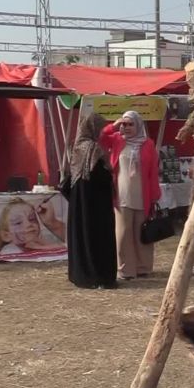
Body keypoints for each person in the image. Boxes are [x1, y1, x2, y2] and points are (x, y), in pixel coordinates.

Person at [100, 110, 162, 280]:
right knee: (123, 233)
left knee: (142, 233)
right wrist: (113, 126)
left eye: (130, 124)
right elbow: (100, 139)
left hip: (143, 195)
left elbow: (153, 171)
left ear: (139, 125)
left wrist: (155, 194)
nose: (126, 127)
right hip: (122, 194)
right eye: (124, 124)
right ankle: (126, 270)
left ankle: (143, 268)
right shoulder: (117, 140)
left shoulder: (148, 144)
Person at [66, 114, 118, 289]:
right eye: (101, 129)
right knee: (96, 238)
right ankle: (98, 276)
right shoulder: (94, 149)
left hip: (79, 203)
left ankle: (80, 275)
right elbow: (99, 176)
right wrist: (110, 171)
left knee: (82, 236)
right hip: (95, 205)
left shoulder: (77, 148)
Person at [0, 197, 66, 258]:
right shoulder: (9, 251)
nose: (29, 224)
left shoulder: (41, 242)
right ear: (6, 235)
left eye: (32, 219)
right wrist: (43, 248)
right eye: (18, 222)